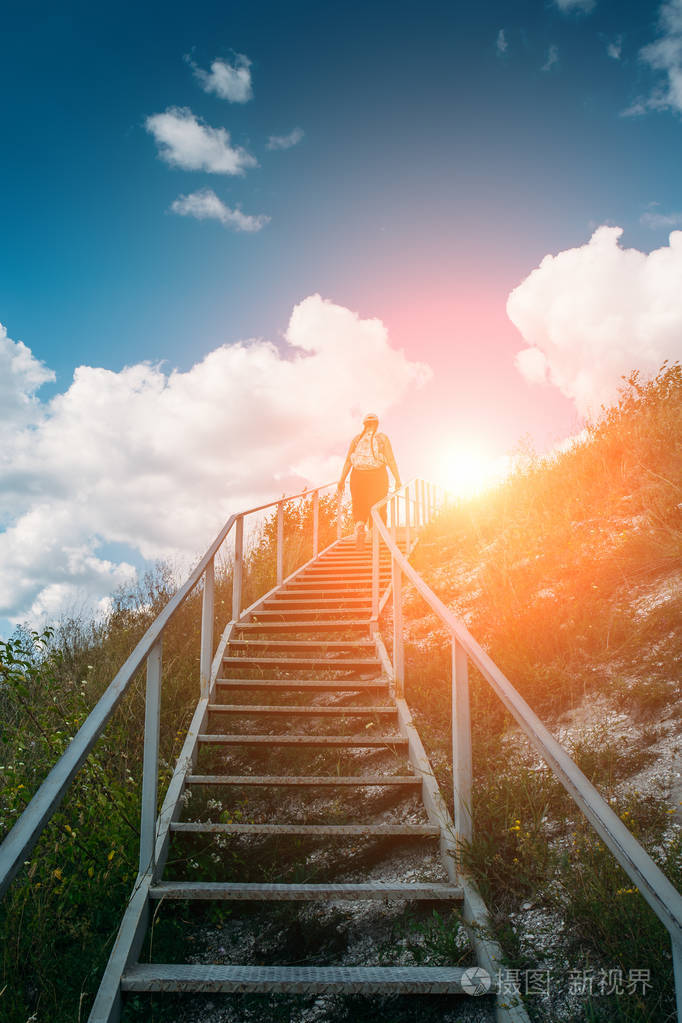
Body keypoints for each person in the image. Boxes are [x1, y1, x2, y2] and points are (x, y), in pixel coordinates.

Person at [337, 413, 402, 547]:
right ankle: (375, 536)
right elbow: (390, 459)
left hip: (357, 476)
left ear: (364, 425)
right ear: (377, 424)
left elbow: (348, 461)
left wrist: (342, 480)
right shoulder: (382, 438)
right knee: (378, 505)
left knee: (359, 504)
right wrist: (397, 479)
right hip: (377, 475)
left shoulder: (356, 439)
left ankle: (360, 526)